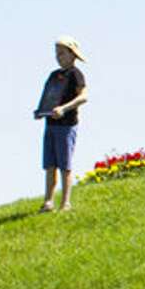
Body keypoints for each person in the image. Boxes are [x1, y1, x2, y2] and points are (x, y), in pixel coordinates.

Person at [34, 36, 89, 213]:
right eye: (57, 53)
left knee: (65, 166)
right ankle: (48, 201)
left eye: (62, 53)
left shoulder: (76, 74)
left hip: (66, 125)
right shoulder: (53, 75)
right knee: (50, 165)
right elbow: (48, 97)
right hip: (51, 124)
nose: (59, 57)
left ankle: (65, 202)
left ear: (72, 55)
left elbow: (83, 96)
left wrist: (64, 109)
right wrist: (40, 110)